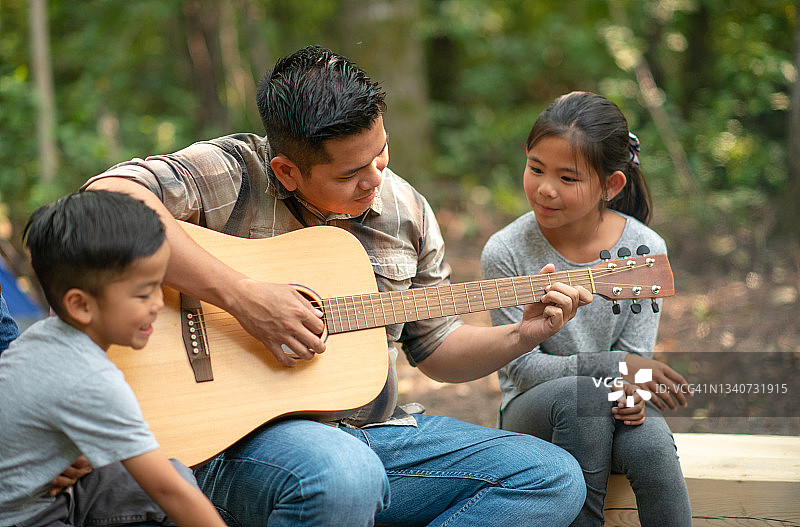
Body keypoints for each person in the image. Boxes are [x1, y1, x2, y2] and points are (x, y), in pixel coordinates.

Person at [84, 45, 594, 526]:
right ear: (287, 171)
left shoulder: (406, 210)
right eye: (351, 172)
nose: (375, 179)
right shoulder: (236, 171)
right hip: (231, 442)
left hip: (372, 436)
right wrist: (240, 296)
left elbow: (437, 349)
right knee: (343, 473)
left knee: (551, 479)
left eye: (382, 153)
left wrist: (522, 335)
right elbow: (106, 201)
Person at [481, 91, 693, 526]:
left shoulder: (643, 251)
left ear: (610, 185)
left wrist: (634, 390)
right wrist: (616, 367)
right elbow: (521, 369)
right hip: (531, 409)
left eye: (568, 178)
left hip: (610, 397)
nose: (544, 188)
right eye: (535, 168)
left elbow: (638, 359)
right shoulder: (506, 250)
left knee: (651, 445)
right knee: (588, 400)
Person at [0, 191, 225, 527]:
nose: (158, 304)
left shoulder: (45, 340)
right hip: (26, 515)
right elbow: (169, 492)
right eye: (142, 293)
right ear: (81, 305)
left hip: (54, 489)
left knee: (175, 473)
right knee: (174, 488)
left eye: (158, 287)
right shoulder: (89, 378)